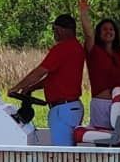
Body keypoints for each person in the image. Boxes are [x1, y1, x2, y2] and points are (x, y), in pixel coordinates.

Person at [9, 12, 86, 146]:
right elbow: (53, 78)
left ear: (61, 30)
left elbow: (40, 72)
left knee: (63, 155)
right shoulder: (77, 47)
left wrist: (16, 88)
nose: (54, 33)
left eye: (54, 30)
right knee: (68, 151)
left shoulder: (61, 49)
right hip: (72, 107)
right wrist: (32, 87)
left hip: (62, 109)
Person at [76, 0, 120, 127]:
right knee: (102, 141)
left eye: (111, 29)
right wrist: (83, 12)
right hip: (101, 104)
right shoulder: (94, 51)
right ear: (99, 33)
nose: (108, 32)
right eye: (104, 29)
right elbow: (88, 34)